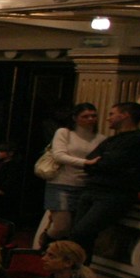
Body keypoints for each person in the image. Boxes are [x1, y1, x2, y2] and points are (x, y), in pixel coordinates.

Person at [67, 101, 140, 254]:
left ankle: (80, 273)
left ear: (125, 115)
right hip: (91, 190)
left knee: (81, 232)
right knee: (78, 237)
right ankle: (78, 274)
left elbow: (110, 164)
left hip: (113, 195)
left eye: (112, 114)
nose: (108, 118)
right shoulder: (111, 140)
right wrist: (98, 163)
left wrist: (100, 163)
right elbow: (89, 161)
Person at [36, 101, 102, 244]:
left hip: (85, 186)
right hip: (62, 183)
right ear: (75, 118)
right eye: (85, 116)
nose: (90, 119)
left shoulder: (101, 139)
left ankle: (59, 254)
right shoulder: (64, 133)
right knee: (61, 226)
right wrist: (85, 163)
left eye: (93, 116)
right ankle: (45, 243)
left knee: (76, 229)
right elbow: (59, 155)